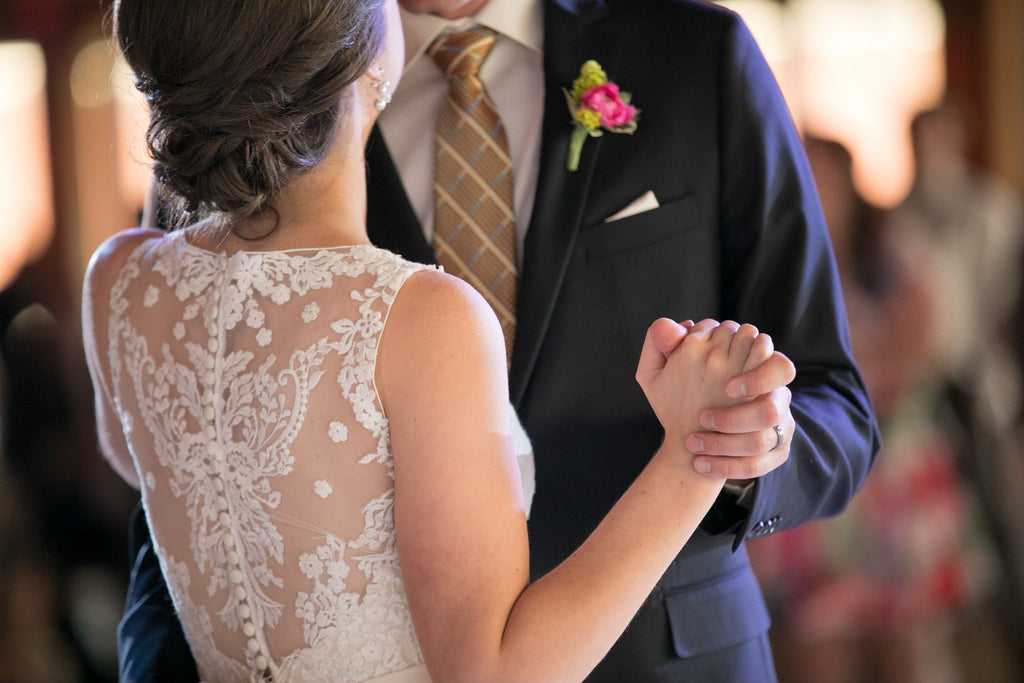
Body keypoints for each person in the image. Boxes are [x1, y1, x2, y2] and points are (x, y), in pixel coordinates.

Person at [114, 0, 881, 681]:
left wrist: (737, 451)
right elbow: (190, 450)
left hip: (672, 655)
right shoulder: (239, 89)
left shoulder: (697, 52)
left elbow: (833, 397)